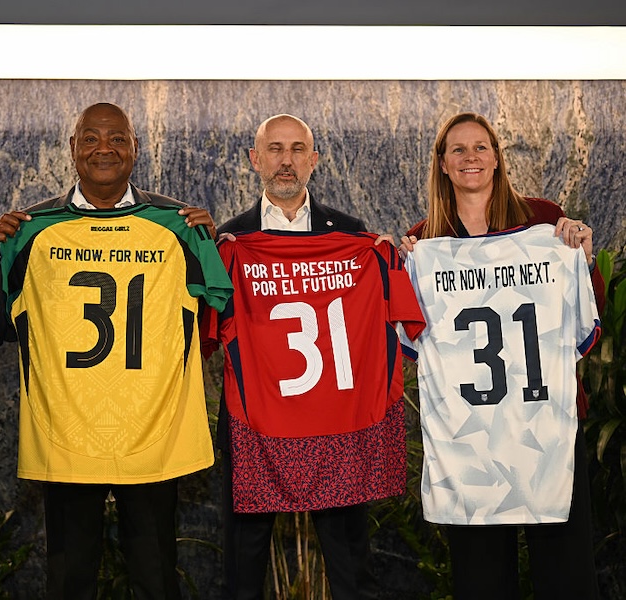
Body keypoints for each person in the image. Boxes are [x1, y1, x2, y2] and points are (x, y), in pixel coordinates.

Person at [0, 102, 232, 600]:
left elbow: (221, 302)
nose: (105, 148)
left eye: (118, 138)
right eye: (92, 138)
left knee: (155, 576)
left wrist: (211, 237)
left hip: (151, 429)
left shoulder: (179, 224)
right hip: (67, 430)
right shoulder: (27, 230)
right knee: (69, 578)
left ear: (136, 149)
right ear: (73, 148)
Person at [399, 112, 605, 600]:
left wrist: (582, 257)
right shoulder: (425, 241)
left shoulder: (543, 221)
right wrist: (403, 273)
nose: (471, 157)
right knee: (482, 579)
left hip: (546, 427)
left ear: (496, 159)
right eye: (458, 150)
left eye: (481, 148)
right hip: (470, 439)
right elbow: (414, 341)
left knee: (567, 573)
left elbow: (585, 315)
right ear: (442, 165)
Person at [213, 114, 396, 600]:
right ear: (255, 160)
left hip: (333, 417)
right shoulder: (230, 243)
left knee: (349, 557)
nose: (286, 160)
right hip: (258, 421)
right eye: (275, 149)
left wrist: (391, 255)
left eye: (297, 149)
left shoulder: (353, 236)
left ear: (314, 161)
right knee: (244, 557)